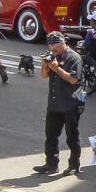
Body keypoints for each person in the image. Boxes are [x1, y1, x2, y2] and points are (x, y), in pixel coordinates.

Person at [33, 31, 84, 176]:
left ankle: (74, 164)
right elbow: (44, 76)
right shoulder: (53, 56)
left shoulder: (74, 58)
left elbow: (73, 79)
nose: (52, 48)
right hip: (55, 103)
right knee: (51, 135)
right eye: (50, 45)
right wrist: (45, 65)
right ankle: (51, 164)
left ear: (63, 43)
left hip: (71, 103)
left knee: (72, 136)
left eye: (55, 44)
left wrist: (56, 68)